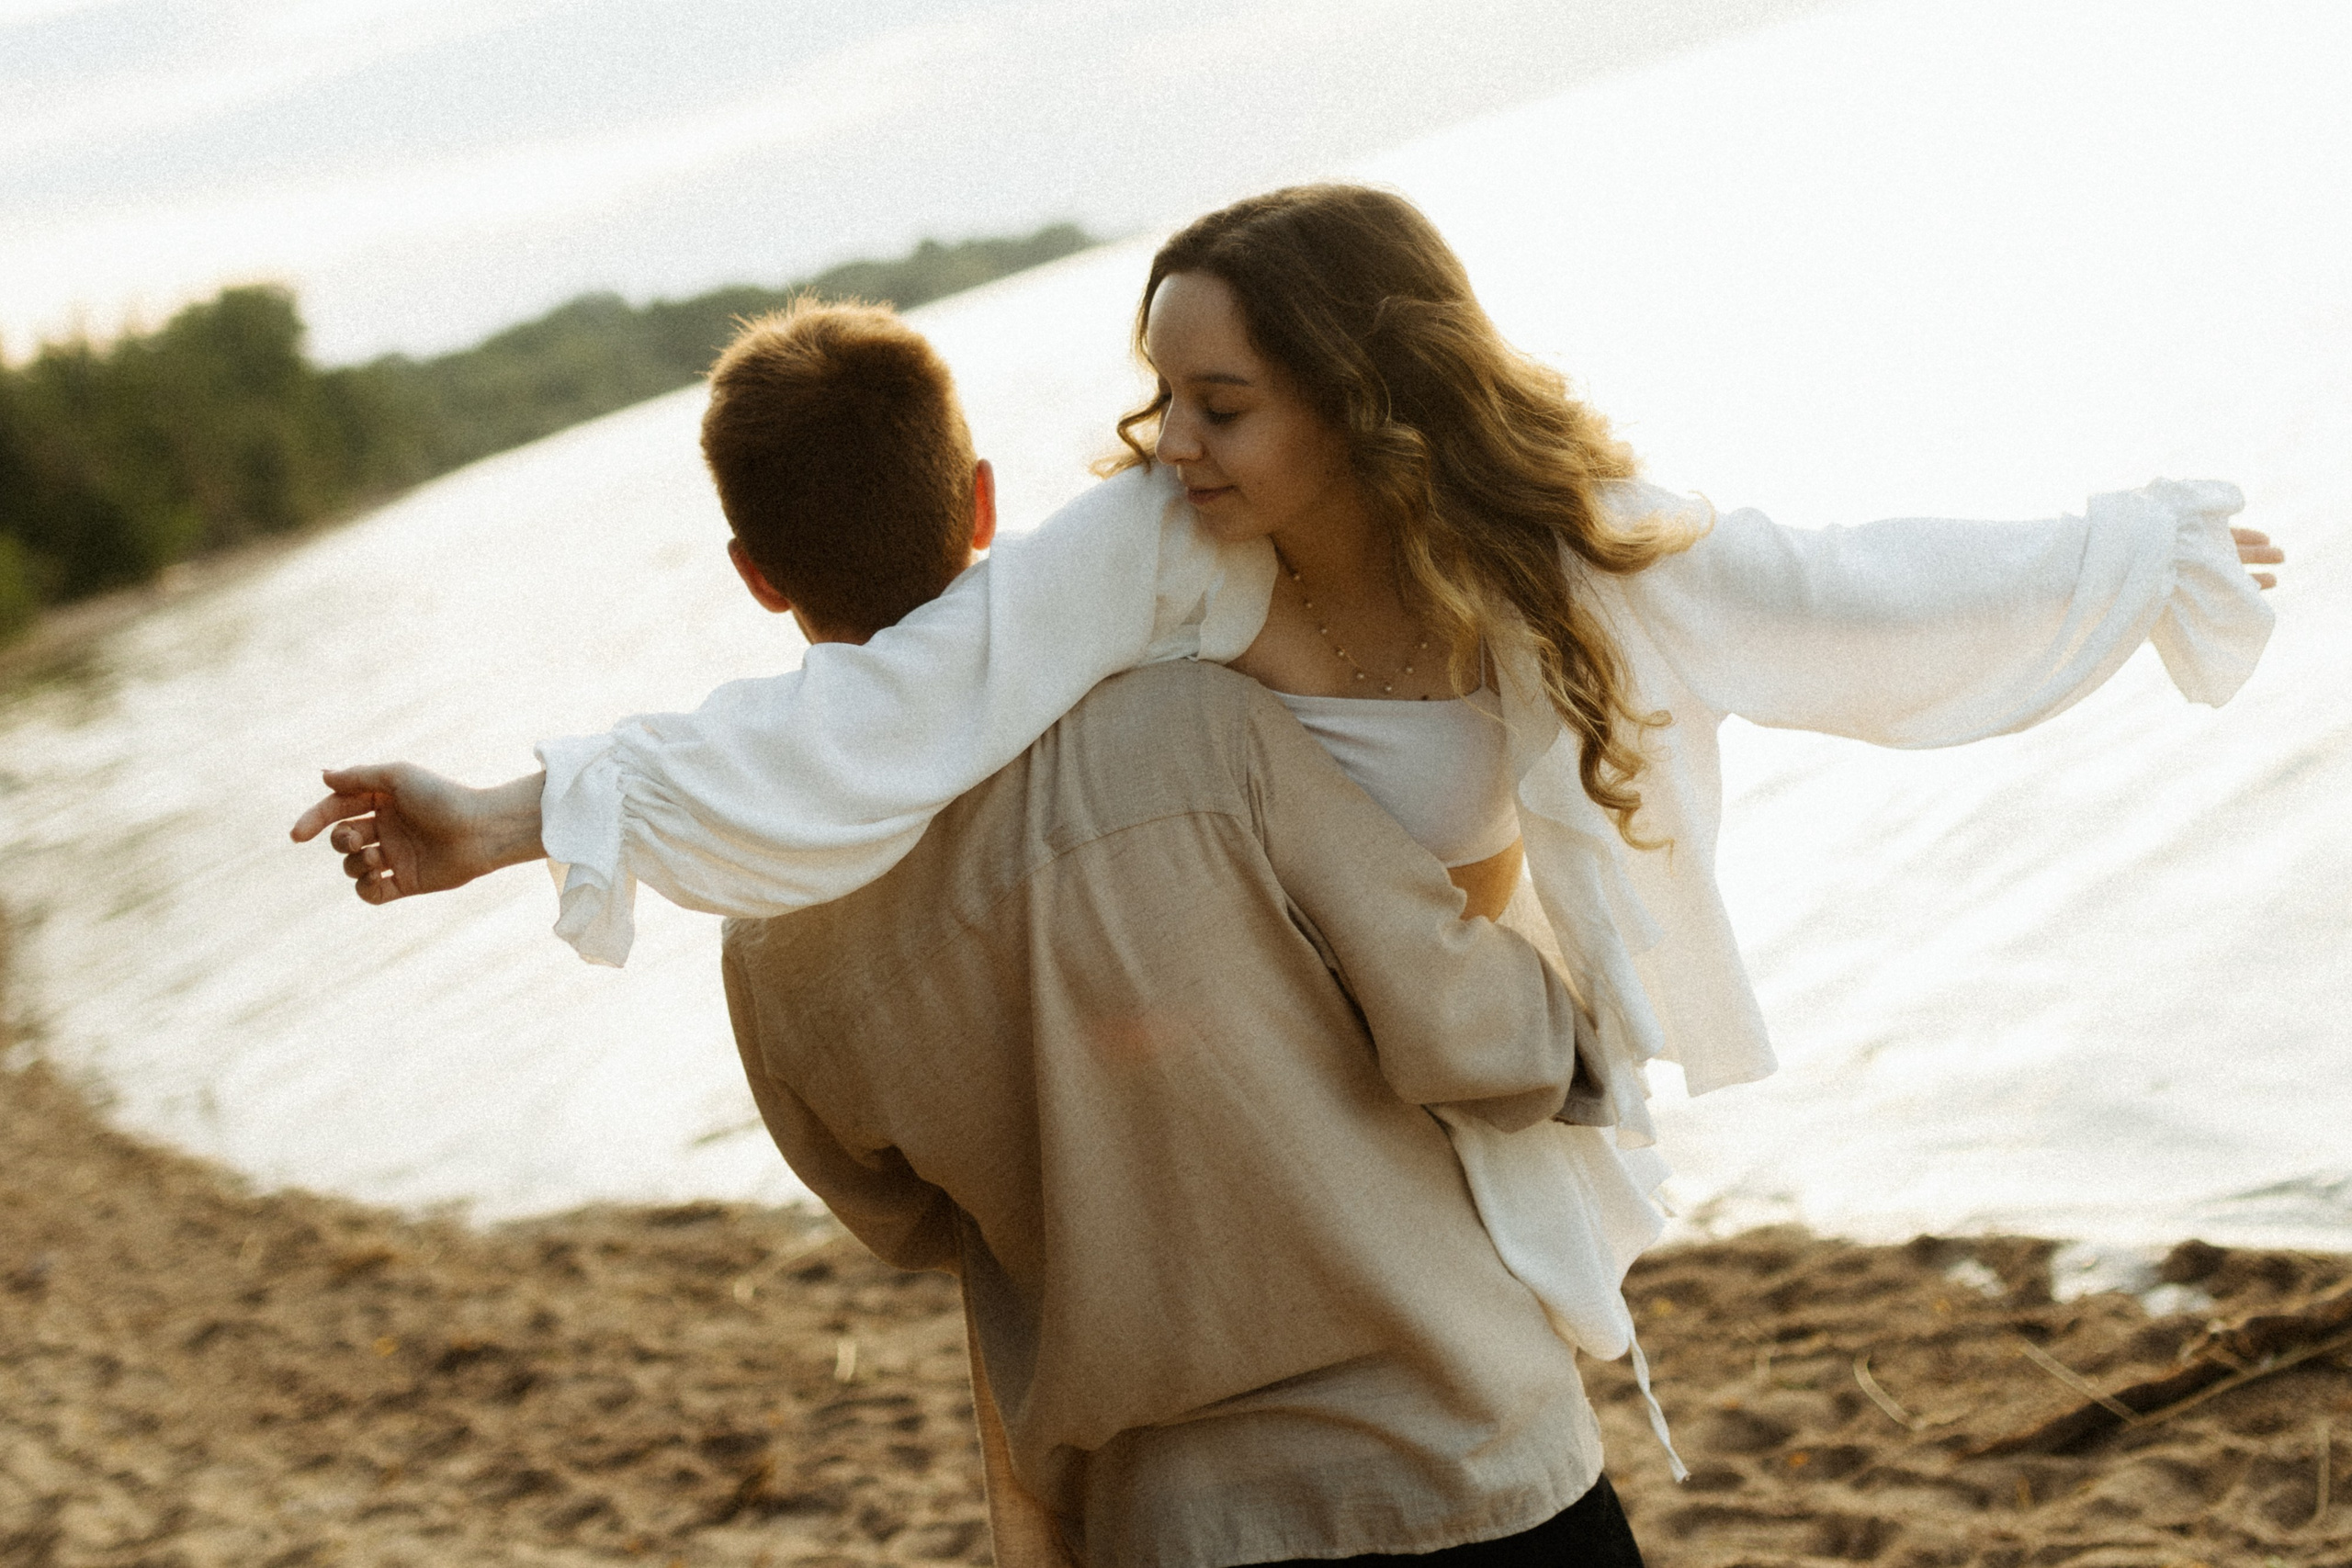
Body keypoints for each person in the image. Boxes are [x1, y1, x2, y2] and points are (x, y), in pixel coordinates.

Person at [297, 300, 1650, 1565]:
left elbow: (905, 1219)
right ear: (986, 502)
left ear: (756, 575)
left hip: (1168, 1523)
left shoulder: (768, 935)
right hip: (1464, 1458)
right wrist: (1572, 979)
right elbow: (1487, 1038)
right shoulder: (1201, 728)